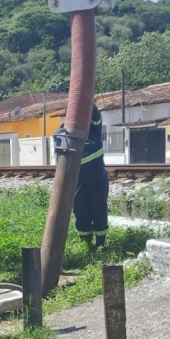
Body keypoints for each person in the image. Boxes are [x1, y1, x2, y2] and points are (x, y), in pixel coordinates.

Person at [72, 103, 109, 251]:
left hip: (97, 181)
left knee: (99, 212)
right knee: (81, 214)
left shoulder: (94, 128)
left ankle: (101, 244)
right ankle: (85, 244)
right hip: (79, 184)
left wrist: (86, 100)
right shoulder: (67, 131)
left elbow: (95, 115)